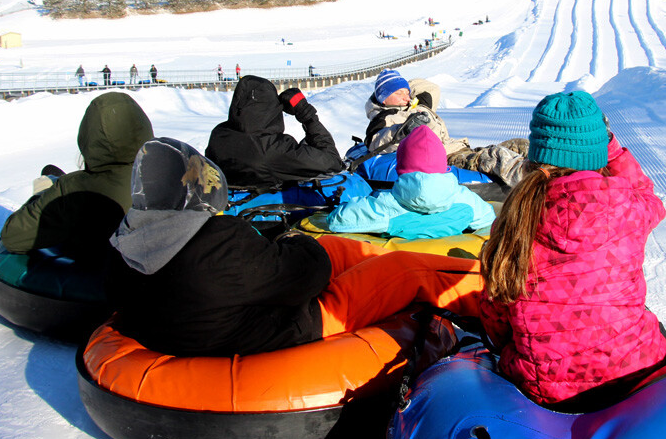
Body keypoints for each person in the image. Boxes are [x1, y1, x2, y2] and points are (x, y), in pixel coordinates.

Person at [107, 138, 483, 357]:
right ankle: (487, 299)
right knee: (405, 269)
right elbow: (307, 276)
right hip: (295, 323)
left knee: (341, 249)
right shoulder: (215, 247)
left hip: (212, 323)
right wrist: (294, 244)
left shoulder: (128, 244)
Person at [478, 90, 666, 407]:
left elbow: (497, 315)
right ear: (597, 150)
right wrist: (611, 149)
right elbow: (650, 197)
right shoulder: (629, 206)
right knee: (652, 327)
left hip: (548, 390)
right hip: (633, 375)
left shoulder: (516, 217)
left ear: (538, 152)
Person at [0, 92, 154, 260]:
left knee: (49, 175)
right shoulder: (171, 173)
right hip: (165, 277)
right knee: (51, 171)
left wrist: (41, 195)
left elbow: (13, 237)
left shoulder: (75, 190)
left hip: (99, 276)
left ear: (89, 136)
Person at [363, 68, 528, 188]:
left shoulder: (417, 106)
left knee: (520, 144)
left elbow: (431, 88)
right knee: (495, 156)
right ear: (383, 98)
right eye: (399, 94)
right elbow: (375, 142)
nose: (406, 98)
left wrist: (405, 88)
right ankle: (536, 184)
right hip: (446, 156)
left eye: (407, 93)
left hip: (460, 148)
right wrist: (403, 130)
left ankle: (550, 171)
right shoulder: (384, 118)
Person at [328, 125, 495, 240]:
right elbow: (489, 218)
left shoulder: (385, 206)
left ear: (400, 166)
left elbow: (337, 220)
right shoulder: (466, 200)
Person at [205, 75, 342, 188]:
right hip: (271, 213)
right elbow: (333, 161)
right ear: (272, 107)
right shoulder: (273, 148)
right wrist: (307, 115)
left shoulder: (219, 134)